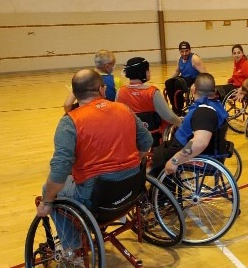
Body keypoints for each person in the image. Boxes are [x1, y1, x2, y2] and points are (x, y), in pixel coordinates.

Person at [37, 69, 153, 229]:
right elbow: (147, 141)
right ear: (101, 89)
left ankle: (72, 249)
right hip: (132, 187)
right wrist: (133, 162)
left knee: (49, 191)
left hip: (97, 195)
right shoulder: (124, 109)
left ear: (75, 94)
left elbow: (60, 169)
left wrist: (47, 201)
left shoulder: (69, 122)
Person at [150, 73, 228, 177]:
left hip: (184, 147)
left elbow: (199, 143)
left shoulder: (204, 112)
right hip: (189, 142)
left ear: (193, 89)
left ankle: (161, 191)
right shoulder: (213, 103)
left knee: (157, 158)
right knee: (159, 150)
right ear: (213, 90)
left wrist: (175, 160)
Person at [116, 57, 182, 146]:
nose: (149, 72)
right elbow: (169, 117)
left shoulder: (120, 92)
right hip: (153, 135)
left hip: (131, 135)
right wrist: (180, 123)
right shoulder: (152, 92)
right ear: (143, 72)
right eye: (148, 70)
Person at [164, 41, 207, 115]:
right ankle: (175, 107)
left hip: (194, 79)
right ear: (179, 51)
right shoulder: (179, 58)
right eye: (182, 51)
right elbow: (177, 71)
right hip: (184, 78)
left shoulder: (194, 58)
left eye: (186, 51)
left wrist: (196, 84)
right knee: (168, 83)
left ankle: (179, 109)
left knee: (178, 84)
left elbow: (205, 73)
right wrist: (170, 80)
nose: (184, 54)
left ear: (190, 50)